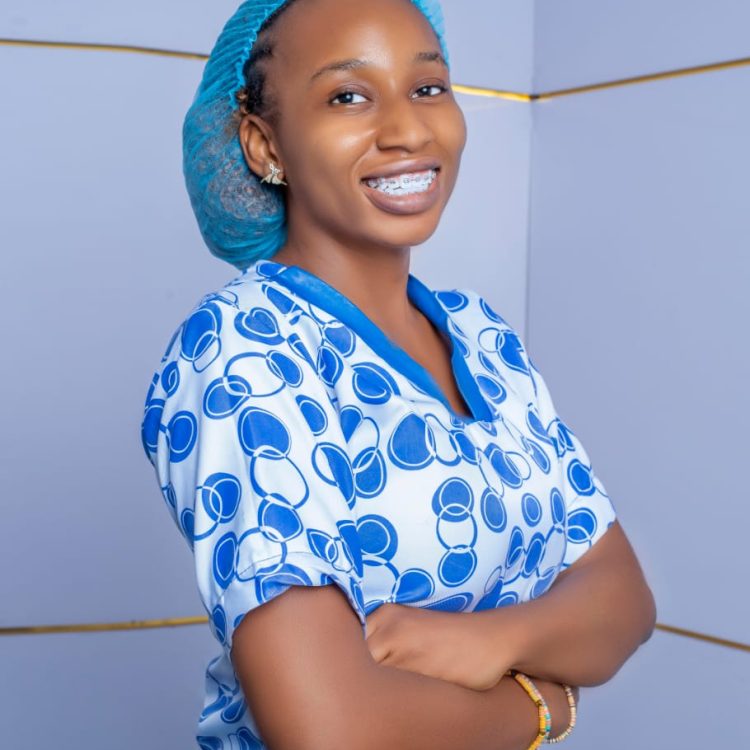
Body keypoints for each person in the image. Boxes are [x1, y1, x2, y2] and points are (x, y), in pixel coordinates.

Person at [140, 0, 657, 747]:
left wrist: (487, 641)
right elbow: (329, 730)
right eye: (348, 96)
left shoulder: (481, 335)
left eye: (427, 87)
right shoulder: (245, 348)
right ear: (263, 145)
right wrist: (545, 705)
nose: (408, 130)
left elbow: (624, 600)